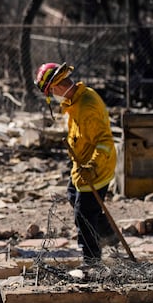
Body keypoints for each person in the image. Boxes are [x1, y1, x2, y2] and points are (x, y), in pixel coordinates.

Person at [34, 62, 118, 265]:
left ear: (58, 86)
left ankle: (91, 260)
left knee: (84, 214)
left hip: (96, 168)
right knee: (74, 195)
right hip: (81, 166)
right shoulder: (76, 100)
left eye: (51, 91)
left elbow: (104, 142)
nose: (53, 96)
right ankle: (108, 235)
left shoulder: (86, 107)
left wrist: (92, 165)